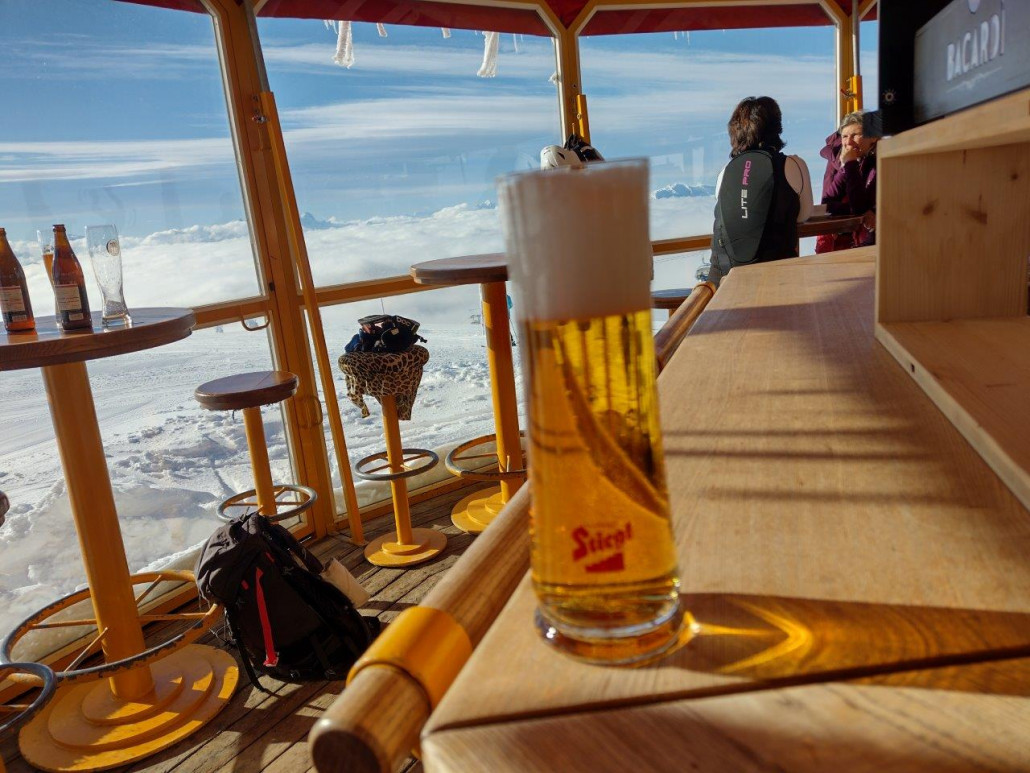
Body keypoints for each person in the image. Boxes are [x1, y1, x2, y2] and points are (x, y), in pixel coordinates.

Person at [707, 96, 813, 286]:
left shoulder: (726, 171)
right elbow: (804, 215)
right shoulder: (793, 165)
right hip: (775, 281)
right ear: (777, 127)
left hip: (723, 282)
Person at [815, 110, 878, 253]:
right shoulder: (852, 161)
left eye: (856, 135)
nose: (848, 142)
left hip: (881, 243)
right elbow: (828, 202)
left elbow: (859, 206)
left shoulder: (881, 161)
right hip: (859, 241)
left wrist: (849, 164)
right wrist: (847, 166)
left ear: (873, 137)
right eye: (844, 136)